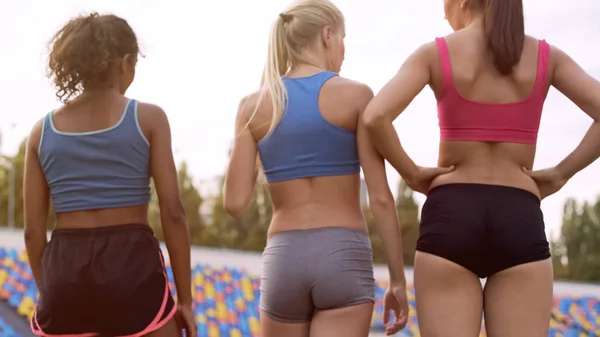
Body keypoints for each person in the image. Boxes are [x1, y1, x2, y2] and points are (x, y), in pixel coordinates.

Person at [362, 0, 600, 336]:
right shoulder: (547, 57)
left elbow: (375, 116)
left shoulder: (434, 53)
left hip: (451, 214)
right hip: (519, 215)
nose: (443, 11)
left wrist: (412, 173)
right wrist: (561, 173)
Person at [224, 0, 408, 336]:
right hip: (343, 254)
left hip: (284, 257)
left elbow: (235, 203)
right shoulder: (356, 95)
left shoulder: (253, 106)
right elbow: (381, 198)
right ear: (326, 35)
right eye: (342, 38)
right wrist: (397, 281)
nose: (343, 50)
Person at [23, 13, 197, 337]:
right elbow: (174, 214)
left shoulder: (40, 132)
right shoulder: (149, 118)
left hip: (64, 269)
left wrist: (50, 289)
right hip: (129, 262)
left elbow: (33, 233)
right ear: (124, 62)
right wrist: (185, 302)